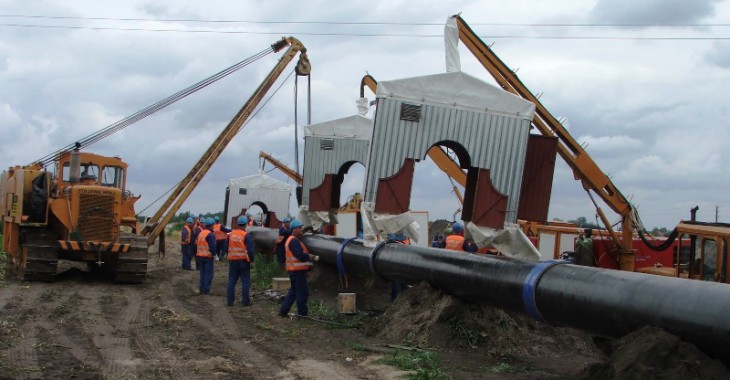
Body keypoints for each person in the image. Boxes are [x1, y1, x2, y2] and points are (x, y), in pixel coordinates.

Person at [278, 220, 319, 317]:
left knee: (293, 293)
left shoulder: (292, 239)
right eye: (300, 228)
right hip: (297, 272)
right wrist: (310, 256)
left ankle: (283, 312)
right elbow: (299, 255)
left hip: (294, 271)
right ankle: (302, 315)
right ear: (294, 229)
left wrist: (307, 267)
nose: (301, 229)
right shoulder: (294, 241)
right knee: (302, 293)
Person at [226, 215, 255, 306]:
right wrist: (251, 260)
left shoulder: (231, 234)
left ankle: (230, 301)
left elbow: (226, 247)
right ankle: (245, 301)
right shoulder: (246, 235)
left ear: (238, 224)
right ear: (246, 224)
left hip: (233, 261)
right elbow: (250, 250)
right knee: (245, 281)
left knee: (231, 281)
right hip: (243, 261)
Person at [196, 217, 217, 295]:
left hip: (200, 256)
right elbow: (212, 247)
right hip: (207, 257)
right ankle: (206, 289)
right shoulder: (210, 235)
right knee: (208, 274)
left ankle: (201, 288)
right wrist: (214, 254)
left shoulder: (201, 233)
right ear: (211, 225)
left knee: (202, 273)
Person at [387, 232, 410, 301]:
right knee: (402, 274)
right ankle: (405, 294)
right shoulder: (404, 232)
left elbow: (391, 237)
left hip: (397, 248)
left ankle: (395, 298)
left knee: (396, 276)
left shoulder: (394, 231)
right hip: (404, 248)